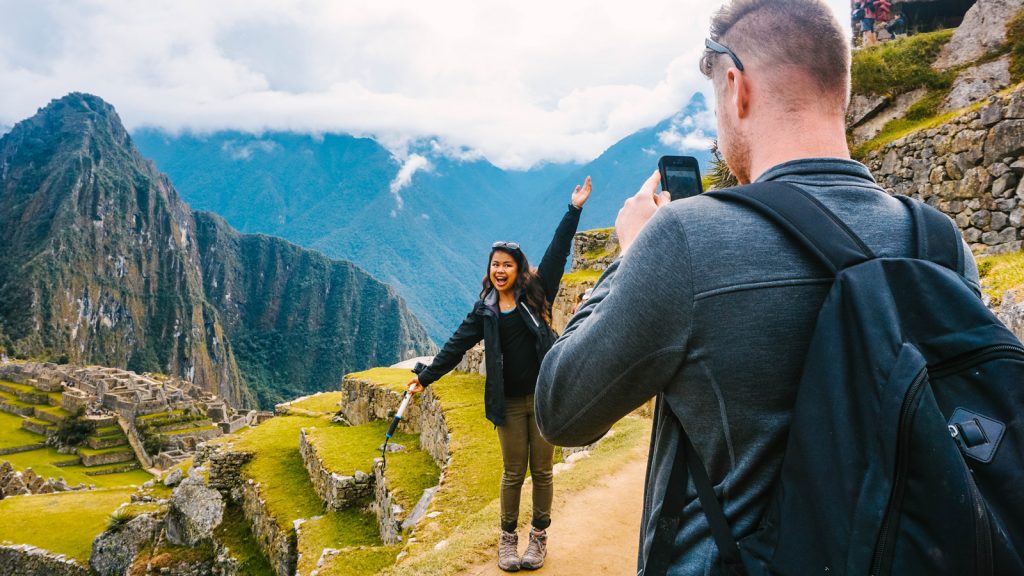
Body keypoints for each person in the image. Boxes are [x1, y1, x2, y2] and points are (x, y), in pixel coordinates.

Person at [533, 0, 980, 574]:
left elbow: (561, 409)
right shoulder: (940, 243)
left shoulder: (686, 242)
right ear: (840, 89)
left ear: (738, 88)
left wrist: (633, 252)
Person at [407, 176, 592, 572]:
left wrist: (573, 209)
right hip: (507, 403)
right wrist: (425, 377)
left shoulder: (537, 294)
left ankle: (538, 536)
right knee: (512, 472)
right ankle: (508, 537)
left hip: (543, 398)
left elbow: (558, 253)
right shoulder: (485, 311)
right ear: (489, 270)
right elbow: (455, 347)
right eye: (496, 265)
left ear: (518, 269)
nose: (501, 271)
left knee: (542, 471)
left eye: (507, 265)